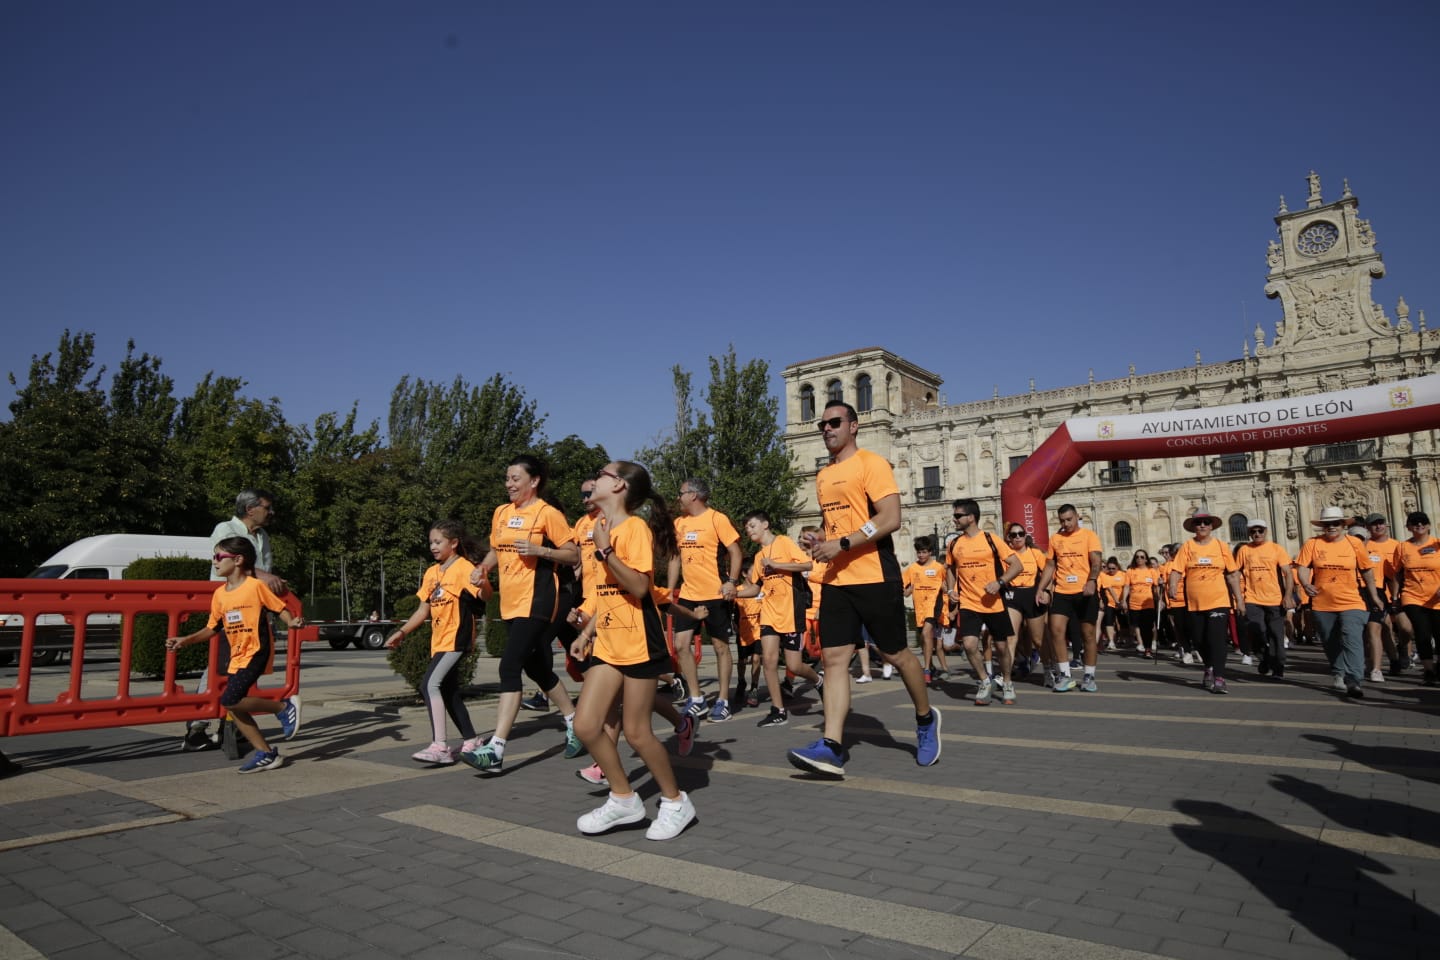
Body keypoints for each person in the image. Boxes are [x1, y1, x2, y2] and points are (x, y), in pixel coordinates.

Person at [790, 402, 941, 776]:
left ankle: (925, 720)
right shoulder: (824, 476)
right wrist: (821, 537)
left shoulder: (871, 464)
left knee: (896, 655)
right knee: (834, 660)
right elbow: (839, 527)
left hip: (875, 575)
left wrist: (842, 544)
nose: (826, 428)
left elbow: (889, 519)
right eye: (822, 424)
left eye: (834, 422)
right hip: (837, 580)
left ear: (853, 426)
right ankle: (832, 746)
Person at [570, 460, 696, 841]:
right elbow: (603, 591)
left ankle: (676, 802)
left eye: (604, 474)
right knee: (586, 725)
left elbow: (640, 588)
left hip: (640, 638)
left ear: (620, 486)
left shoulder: (634, 528)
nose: (595, 479)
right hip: (608, 640)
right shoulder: (598, 528)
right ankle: (624, 798)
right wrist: (586, 626)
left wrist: (607, 552)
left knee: (637, 732)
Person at [463, 454, 583, 772]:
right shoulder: (501, 512)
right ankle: (575, 724)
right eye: (507, 478)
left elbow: (573, 554)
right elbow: (496, 549)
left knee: (509, 665)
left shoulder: (547, 513)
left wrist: (541, 550)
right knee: (537, 668)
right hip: (511, 600)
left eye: (515, 478)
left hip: (540, 598)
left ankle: (496, 750)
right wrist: (483, 569)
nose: (509, 484)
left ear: (534, 481)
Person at [166, 537, 303, 772]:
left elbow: (279, 608)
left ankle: (283, 708)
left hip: (256, 651)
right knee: (233, 705)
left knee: (230, 699)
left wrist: (291, 623)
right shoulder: (220, 594)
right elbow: (212, 628)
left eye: (219, 557)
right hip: (237, 655)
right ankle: (266, 753)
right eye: (214, 557)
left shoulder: (255, 586)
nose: (214, 562)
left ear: (238, 560)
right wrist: (185, 640)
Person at [185, 488, 286, 752]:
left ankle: (230, 725)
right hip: (230, 609)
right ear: (250, 509)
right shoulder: (225, 529)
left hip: (252, 612)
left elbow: (260, 575)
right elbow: (231, 561)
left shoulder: (262, 535)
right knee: (219, 664)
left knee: (242, 668)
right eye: (267, 506)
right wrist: (264, 577)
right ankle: (198, 725)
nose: (271, 511)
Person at [384, 520, 485, 765]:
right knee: (448, 691)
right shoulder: (431, 573)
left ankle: (440, 746)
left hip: (456, 638)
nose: (433, 546)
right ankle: (471, 739)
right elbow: (423, 610)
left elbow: (484, 596)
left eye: (438, 541)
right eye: (431, 542)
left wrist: (484, 584)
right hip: (439, 641)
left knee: (429, 684)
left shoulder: (463, 567)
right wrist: (402, 632)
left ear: (453, 543)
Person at [670, 478, 745, 722]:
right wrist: (669, 592)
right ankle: (697, 698)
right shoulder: (679, 523)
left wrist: (732, 582)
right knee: (681, 645)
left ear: (693, 495)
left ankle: (723, 701)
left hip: (715, 595)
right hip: (688, 595)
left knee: (721, 647)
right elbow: (674, 559)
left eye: (681, 493)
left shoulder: (716, 519)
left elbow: (735, 552)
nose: (678, 497)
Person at [736, 511, 817, 728]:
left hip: (791, 610)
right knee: (769, 662)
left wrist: (777, 565)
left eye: (752, 525)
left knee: (795, 665)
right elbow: (754, 588)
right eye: (746, 528)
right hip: (769, 613)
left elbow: (807, 565)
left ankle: (818, 680)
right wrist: (732, 593)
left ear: (765, 524)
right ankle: (778, 710)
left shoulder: (783, 542)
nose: (749, 530)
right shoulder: (757, 557)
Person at [1296, 506, 1383, 698]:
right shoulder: (1312, 543)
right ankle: (1338, 672)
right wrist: (1305, 583)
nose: (1331, 527)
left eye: (1336, 523)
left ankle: (1354, 679)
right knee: (1330, 640)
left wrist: (1374, 596)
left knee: (1351, 637)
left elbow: (1367, 571)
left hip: (1352, 600)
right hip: (1322, 602)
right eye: (1327, 524)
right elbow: (1302, 567)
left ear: (1343, 525)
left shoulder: (1354, 544)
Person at [945, 499, 1023, 705]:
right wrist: (952, 590)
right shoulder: (954, 543)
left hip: (993, 602)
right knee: (970, 645)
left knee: (1002, 648)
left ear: (971, 517)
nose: (955, 519)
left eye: (958, 515)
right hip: (969, 602)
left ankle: (1007, 681)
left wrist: (1000, 582)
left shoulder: (991, 539)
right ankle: (984, 681)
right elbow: (951, 569)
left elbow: (1016, 565)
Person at [1168, 512, 1245, 694]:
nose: (1202, 525)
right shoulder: (1187, 546)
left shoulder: (1221, 546)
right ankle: (1208, 667)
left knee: (1216, 639)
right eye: (1198, 523)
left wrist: (1239, 600)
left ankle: (1219, 677)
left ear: (1212, 526)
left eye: (1206, 523)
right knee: (1199, 639)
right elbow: (1176, 570)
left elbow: (1233, 575)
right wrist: (1172, 585)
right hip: (1194, 602)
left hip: (1219, 600)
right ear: (1194, 527)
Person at [1035, 504, 1103, 692]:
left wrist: (1091, 580)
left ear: (1077, 517)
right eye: (1062, 520)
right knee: (1055, 630)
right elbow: (1050, 565)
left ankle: (1089, 676)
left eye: (1069, 519)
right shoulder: (1056, 538)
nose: (1066, 524)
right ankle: (1065, 675)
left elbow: (1096, 561)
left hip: (1084, 591)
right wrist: (1041, 588)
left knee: (1088, 634)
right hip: (1062, 591)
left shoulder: (1089, 536)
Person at [1234, 520, 1293, 679]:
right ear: (1249, 533)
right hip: (1253, 598)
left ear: (1266, 531)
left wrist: (1288, 595)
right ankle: (1264, 657)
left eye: (1260, 531)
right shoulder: (1244, 550)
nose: (1257, 534)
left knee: (1276, 635)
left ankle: (1278, 667)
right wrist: (1238, 599)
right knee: (1256, 630)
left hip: (1275, 599)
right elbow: (1235, 574)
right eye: (1253, 531)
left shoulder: (1276, 549)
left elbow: (1288, 573)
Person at [1392, 511, 1440, 687]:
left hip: (1437, 596)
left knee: (1439, 633)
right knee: (1422, 632)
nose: (1419, 525)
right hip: (1413, 595)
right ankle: (1428, 670)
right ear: (1409, 527)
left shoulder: (1437, 544)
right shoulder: (1403, 547)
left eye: (1422, 522)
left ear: (1428, 525)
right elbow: (1397, 573)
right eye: (1414, 522)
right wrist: (1395, 596)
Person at [1000, 523, 1047, 679]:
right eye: (1014, 535)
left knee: (1038, 639)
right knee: (1010, 638)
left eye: (1021, 533)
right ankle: (1006, 678)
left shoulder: (1035, 553)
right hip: (1012, 595)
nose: (1018, 537)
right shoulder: (1006, 555)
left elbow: (1048, 573)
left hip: (1031, 595)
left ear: (1026, 535)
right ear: (1009, 538)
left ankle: (1050, 670)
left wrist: (1046, 591)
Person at [1361, 513, 1404, 681]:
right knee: (1376, 630)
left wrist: (1395, 596)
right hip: (1368, 593)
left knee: (1391, 630)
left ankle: (1397, 656)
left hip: (1386, 593)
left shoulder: (1397, 545)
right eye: (1374, 524)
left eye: (1381, 523)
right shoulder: (1365, 546)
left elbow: (1394, 575)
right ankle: (1379, 664)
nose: (1378, 526)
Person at [902, 536, 948, 684]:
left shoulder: (938, 568)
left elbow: (947, 586)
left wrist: (946, 589)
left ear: (930, 552)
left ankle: (926, 669)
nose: (921, 555)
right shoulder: (912, 568)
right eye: (919, 552)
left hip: (934, 605)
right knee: (924, 638)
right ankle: (932, 665)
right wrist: (909, 588)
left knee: (927, 632)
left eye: (923, 552)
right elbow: (906, 591)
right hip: (919, 608)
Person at [1121, 550, 1158, 658]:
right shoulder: (1130, 571)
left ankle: (1148, 648)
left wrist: (1160, 599)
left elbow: (1155, 587)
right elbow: (1127, 586)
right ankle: (1142, 644)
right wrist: (1124, 600)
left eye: (1142, 557)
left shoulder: (1152, 571)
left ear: (1146, 559)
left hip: (1148, 603)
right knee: (1138, 627)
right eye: (1137, 557)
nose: (1139, 559)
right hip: (1134, 603)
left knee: (1147, 627)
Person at [1098, 557, 1126, 651]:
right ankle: (1111, 641)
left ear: (1117, 567)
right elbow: (1108, 589)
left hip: (1121, 602)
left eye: (1113, 568)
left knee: (1122, 623)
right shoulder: (1105, 576)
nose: (1111, 570)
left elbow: (1126, 588)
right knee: (1109, 622)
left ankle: (1124, 638)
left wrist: (1122, 601)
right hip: (1110, 602)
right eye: (1109, 568)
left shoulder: (1123, 574)